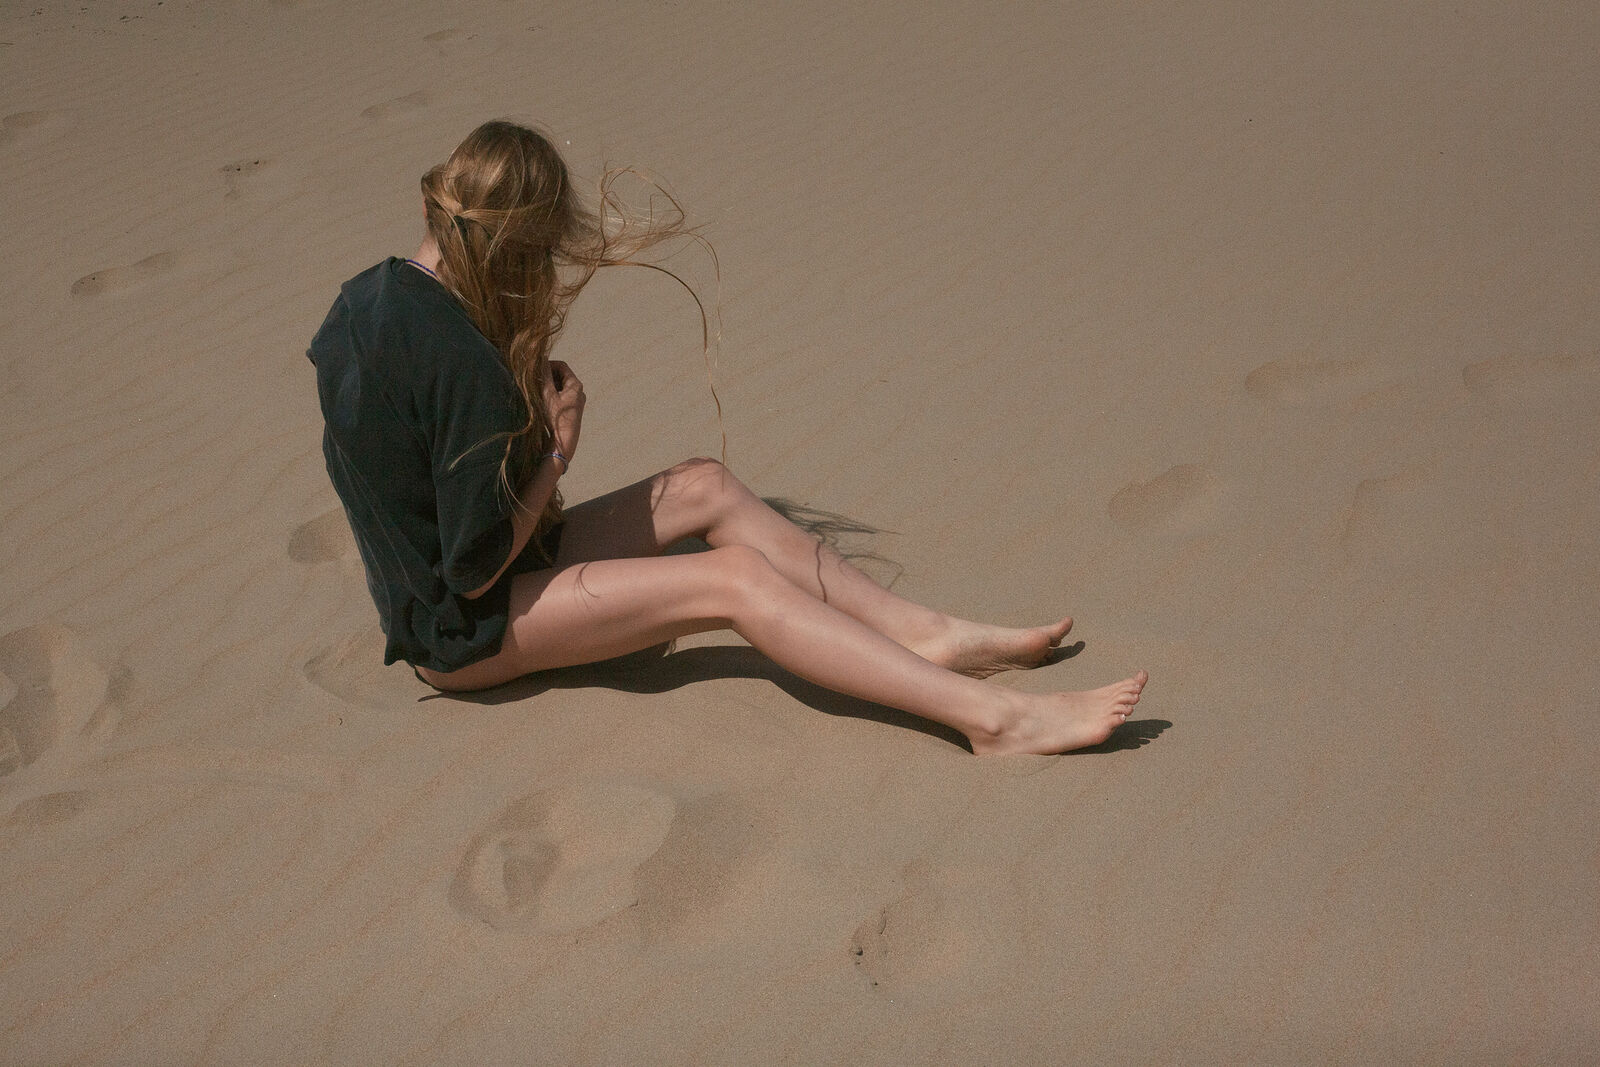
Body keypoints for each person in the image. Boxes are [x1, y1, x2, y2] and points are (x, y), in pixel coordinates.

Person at [308, 119, 1147, 755]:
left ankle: (925, 636)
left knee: (703, 483)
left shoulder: (362, 299)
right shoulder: (465, 366)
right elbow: (475, 562)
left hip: (454, 595)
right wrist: (558, 448)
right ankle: (994, 719)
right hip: (465, 633)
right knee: (734, 581)